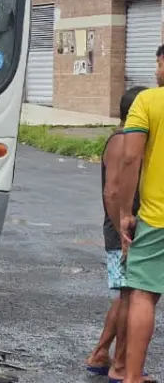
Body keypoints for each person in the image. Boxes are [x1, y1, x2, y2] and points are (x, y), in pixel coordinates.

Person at [87, 86, 146, 381]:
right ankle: (120, 366)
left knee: (125, 295)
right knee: (131, 296)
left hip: (124, 230)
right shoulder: (123, 142)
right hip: (122, 232)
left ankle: (101, 354)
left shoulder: (125, 140)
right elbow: (112, 191)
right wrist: (122, 233)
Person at [115, 44, 164, 383]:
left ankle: (132, 376)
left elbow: (130, 159)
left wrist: (124, 212)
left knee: (143, 293)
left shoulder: (147, 101)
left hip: (156, 216)